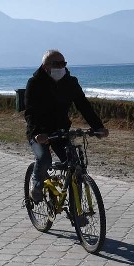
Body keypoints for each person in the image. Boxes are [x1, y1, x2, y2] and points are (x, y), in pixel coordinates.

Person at [24, 49, 108, 202]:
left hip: (61, 131)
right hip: (39, 132)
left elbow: (84, 106)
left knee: (76, 166)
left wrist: (98, 127)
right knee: (44, 160)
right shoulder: (34, 83)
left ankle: (77, 209)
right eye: (57, 64)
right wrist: (37, 133)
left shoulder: (70, 82)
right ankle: (36, 184)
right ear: (45, 66)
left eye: (63, 64)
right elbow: (30, 112)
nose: (61, 67)